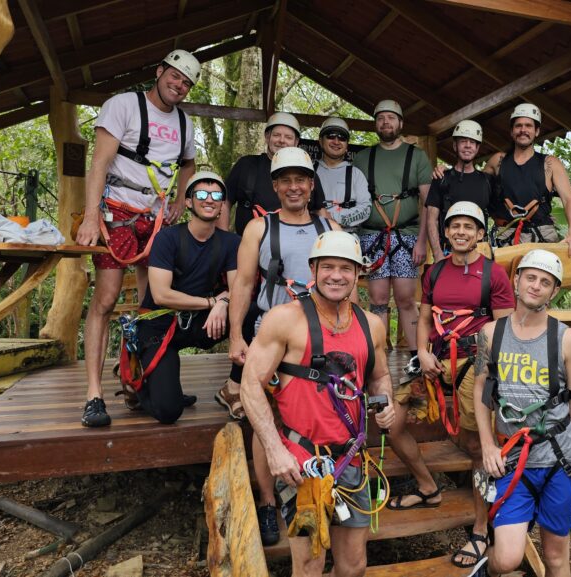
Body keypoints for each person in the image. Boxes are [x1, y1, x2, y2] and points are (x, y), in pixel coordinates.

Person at [240, 230, 395, 577]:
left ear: (358, 274)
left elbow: (379, 375)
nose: (336, 275)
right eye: (327, 267)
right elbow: (251, 385)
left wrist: (386, 403)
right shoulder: (284, 319)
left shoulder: (371, 325)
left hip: (350, 457)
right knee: (309, 565)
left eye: (345, 268)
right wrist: (275, 450)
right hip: (302, 461)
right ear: (313, 269)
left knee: (354, 564)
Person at [386, 201, 514, 570]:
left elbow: (503, 328)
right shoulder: (436, 272)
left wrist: (488, 371)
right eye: (454, 225)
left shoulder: (494, 275)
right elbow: (425, 317)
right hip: (433, 359)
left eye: (468, 227)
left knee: (476, 444)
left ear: (479, 234)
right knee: (391, 421)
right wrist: (423, 352)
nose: (460, 231)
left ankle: (479, 528)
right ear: (445, 231)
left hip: (474, 360)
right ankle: (428, 487)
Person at [77, 49, 200, 427]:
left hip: (157, 217)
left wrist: (182, 197)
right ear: (160, 71)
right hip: (119, 212)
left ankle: (143, 382)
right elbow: (99, 161)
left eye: (186, 82)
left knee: (154, 303)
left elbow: (189, 164)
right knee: (107, 298)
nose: (178, 85)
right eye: (174, 76)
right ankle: (94, 394)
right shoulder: (123, 106)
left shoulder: (184, 123)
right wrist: (90, 215)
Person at [227, 146, 338, 547]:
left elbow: (346, 286)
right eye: (285, 180)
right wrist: (237, 335)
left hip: (316, 338)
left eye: (301, 180)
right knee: (266, 419)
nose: (293, 187)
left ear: (311, 185)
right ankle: (268, 501)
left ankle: (320, 489)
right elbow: (242, 282)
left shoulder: (330, 230)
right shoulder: (259, 228)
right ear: (275, 186)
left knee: (314, 414)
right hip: (270, 335)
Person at [472, 249, 571, 577]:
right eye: (530, 277)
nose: (536, 286)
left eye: (545, 282)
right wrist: (487, 445)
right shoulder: (490, 334)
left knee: (556, 557)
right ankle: (487, 568)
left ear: (554, 291)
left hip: (559, 458)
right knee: (508, 558)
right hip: (514, 458)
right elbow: (481, 392)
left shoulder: (568, 340)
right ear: (516, 281)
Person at [116, 172, 240, 424]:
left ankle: (234, 388)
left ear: (222, 205)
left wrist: (225, 302)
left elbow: (241, 288)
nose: (209, 200)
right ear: (188, 202)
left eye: (216, 195)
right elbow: (161, 295)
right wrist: (212, 303)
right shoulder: (167, 238)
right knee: (169, 410)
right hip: (159, 325)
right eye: (201, 194)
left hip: (199, 323)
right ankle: (136, 382)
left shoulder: (231, 243)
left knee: (251, 314)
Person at [353, 100, 432, 377]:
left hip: (408, 235)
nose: (386, 123)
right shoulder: (362, 158)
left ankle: (414, 357)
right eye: (381, 119)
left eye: (391, 118)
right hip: (372, 236)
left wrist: (422, 241)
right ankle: (377, 357)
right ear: (376, 124)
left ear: (400, 123)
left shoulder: (417, 156)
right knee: (377, 299)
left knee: (406, 299)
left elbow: (427, 202)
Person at [486, 104, 571, 259]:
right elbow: (476, 185)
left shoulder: (550, 164)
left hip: (541, 234)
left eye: (528, 126)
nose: (523, 130)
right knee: (503, 283)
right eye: (518, 126)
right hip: (505, 235)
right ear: (512, 131)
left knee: (542, 282)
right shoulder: (498, 161)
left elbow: (568, 199)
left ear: (536, 131)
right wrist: (446, 171)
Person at [224, 112, 328, 235]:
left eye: (288, 137)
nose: (282, 141)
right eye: (277, 135)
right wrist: (223, 239)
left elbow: (320, 211)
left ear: (296, 142)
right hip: (248, 245)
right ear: (267, 137)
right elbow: (224, 202)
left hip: (294, 246)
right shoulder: (247, 165)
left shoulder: (307, 172)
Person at [425, 120, 493, 261]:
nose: (468, 145)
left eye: (472, 142)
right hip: (448, 253)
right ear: (455, 146)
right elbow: (432, 219)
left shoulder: (486, 181)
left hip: (479, 253)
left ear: (477, 148)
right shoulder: (441, 178)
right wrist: (437, 254)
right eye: (463, 141)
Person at [314, 117, 372, 233]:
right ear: (320, 141)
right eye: (331, 136)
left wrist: (331, 216)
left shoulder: (355, 174)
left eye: (342, 138)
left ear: (346, 145)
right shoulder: (308, 170)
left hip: (347, 237)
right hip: (313, 236)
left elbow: (366, 208)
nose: (336, 141)